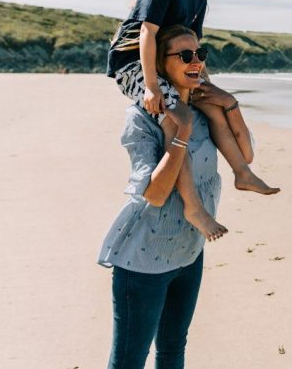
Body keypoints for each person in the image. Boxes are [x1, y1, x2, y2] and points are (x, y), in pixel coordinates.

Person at [107, 0, 278, 240]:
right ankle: (193, 207)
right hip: (133, 65)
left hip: (168, 62)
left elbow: (193, 44)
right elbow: (147, 34)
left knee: (211, 105)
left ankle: (242, 173)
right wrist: (151, 86)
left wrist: (204, 84)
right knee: (176, 119)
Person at [99, 25, 226, 368]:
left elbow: (246, 155)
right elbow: (154, 195)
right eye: (184, 55)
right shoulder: (140, 119)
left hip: (189, 252)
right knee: (129, 361)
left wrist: (228, 103)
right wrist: (181, 131)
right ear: (158, 64)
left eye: (200, 54)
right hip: (143, 262)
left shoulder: (204, 112)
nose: (196, 61)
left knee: (172, 350)